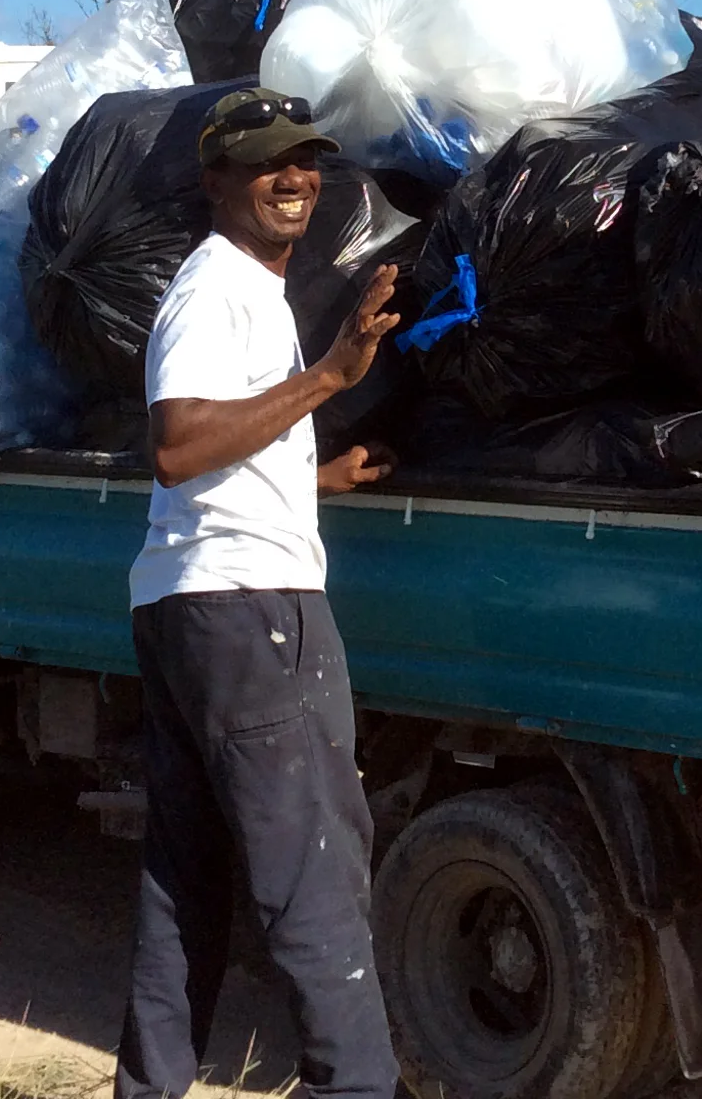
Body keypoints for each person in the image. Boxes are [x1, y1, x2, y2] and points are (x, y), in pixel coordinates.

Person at [115, 86, 403, 1099]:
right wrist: (330, 376)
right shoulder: (216, 289)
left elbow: (214, 458)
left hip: (197, 605)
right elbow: (178, 445)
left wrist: (311, 476)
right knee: (314, 874)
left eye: (307, 160)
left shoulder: (248, 291)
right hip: (251, 613)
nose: (295, 178)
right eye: (269, 162)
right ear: (216, 181)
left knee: (183, 881)